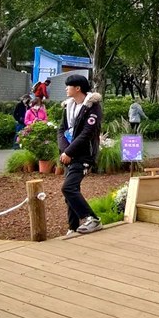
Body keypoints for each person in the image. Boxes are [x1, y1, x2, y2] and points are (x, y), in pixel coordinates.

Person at [57, 73, 104, 237]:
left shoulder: (93, 107)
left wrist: (69, 151)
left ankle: (92, 219)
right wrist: (65, 151)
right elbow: (61, 130)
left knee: (68, 188)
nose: (66, 89)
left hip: (83, 155)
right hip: (69, 154)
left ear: (78, 88)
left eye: (68, 86)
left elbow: (87, 134)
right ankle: (72, 227)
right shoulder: (68, 106)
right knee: (71, 191)